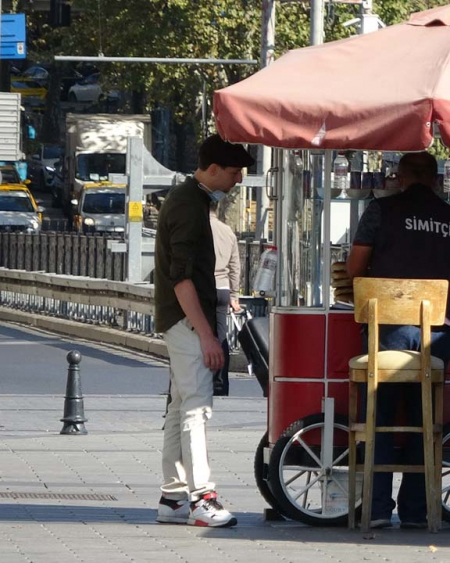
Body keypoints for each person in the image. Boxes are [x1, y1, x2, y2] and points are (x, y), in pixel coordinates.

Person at [347, 151, 450, 529]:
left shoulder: (380, 211)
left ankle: (378, 509)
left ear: (400, 177)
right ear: (435, 180)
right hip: (438, 336)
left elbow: (355, 270)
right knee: (425, 417)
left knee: (380, 414)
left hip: (386, 335)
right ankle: (418, 511)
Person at [153, 134, 254, 528]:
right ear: (212, 170)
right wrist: (207, 335)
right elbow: (182, 279)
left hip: (176, 318)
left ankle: (173, 497)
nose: (239, 180)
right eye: (233, 172)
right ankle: (202, 498)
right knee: (197, 406)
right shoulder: (191, 208)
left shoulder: (186, 199)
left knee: (180, 406)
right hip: (186, 320)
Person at [210, 201, 242, 396]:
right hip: (222, 288)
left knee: (199, 333)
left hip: (203, 289)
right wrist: (234, 295)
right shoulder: (227, 231)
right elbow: (235, 266)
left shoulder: (198, 229)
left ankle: (202, 378)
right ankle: (221, 382)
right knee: (221, 335)